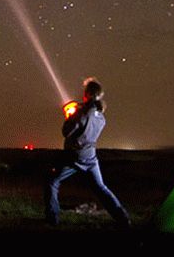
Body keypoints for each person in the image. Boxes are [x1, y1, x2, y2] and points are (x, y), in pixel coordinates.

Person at [44, 77, 131, 228]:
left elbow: (66, 132)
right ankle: (123, 218)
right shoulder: (101, 116)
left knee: (52, 181)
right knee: (101, 188)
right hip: (90, 157)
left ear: (88, 94)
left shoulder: (81, 115)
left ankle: (53, 219)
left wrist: (69, 116)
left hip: (74, 157)